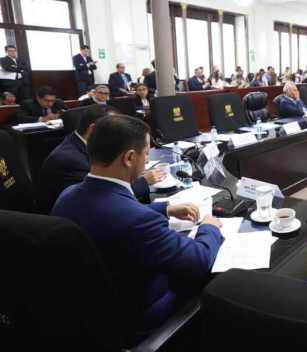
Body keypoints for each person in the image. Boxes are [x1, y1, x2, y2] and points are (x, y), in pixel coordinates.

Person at [52, 115, 224, 343]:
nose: (147, 160)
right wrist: (209, 228)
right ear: (130, 157)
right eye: (146, 153)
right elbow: (199, 260)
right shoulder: (137, 220)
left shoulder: (68, 195)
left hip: (89, 312)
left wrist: (165, 209)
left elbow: (108, 215)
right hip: (139, 318)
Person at [38, 105, 166, 214]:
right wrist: (143, 181)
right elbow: (106, 201)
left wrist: (166, 209)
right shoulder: (69, 161)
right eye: (116, 131)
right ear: (93, 130)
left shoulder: (79, 144)